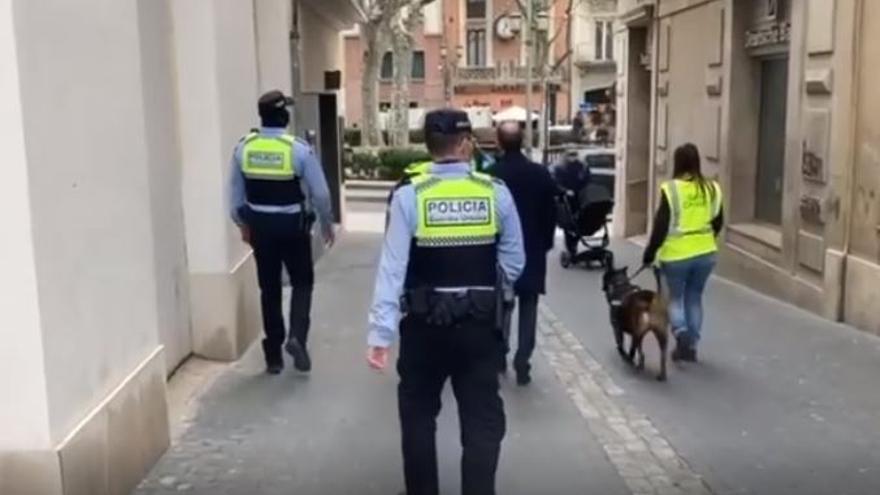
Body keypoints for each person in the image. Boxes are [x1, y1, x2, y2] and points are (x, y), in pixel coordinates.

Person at [366, 108, 525, 495]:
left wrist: (380, 335)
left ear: (427, 146)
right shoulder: (494, 193)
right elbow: (515, 261)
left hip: (424, 327)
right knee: (482, 422)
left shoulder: (409, 195)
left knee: (418, 418)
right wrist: (485, 291)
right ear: (467, 143)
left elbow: (392, 269)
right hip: (479, 327)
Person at [228, 90, 335, 375]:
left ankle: (273, 354)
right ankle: (297, 337)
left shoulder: (244, 148)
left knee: (269, 288)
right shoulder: (297, 150)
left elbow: (235, 198)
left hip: (260, 229)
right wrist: (327, 224)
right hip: (293, 229)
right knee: (302, 283)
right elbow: (321, 194)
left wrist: (243, 225)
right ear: (284, 116)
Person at [642, 143, 723, 362]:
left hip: (676, 255)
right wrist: (704, 239)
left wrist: (650, 253)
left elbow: (661, 226)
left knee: (675, 299)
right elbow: (718, 222)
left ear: (678, 163)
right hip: (706, 253)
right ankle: (692, 346)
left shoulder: (672, 189)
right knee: (695, 298)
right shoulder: (712, 188)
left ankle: (680, 331)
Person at [490, 121, 557, 385]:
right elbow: (551, 212)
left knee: (501, 305)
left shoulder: (491, 174)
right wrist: (546, 242)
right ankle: (523, 358)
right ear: (523, 140)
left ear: (499, 141)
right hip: (532, 249)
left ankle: (500, 351)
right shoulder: (539, 174)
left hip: (500, 251)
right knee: (529, 306)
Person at [551, 148, 591, 255]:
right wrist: (565, 191)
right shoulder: (560, 167)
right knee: (568, 223)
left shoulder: (581, 166)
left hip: (578, 197)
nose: (573, 157)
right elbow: (556, 183)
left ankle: (574, 244)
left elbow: (586, 179)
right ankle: (570, 247)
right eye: (570, 155)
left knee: (579, 223)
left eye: (574, 154)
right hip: (565, 199)